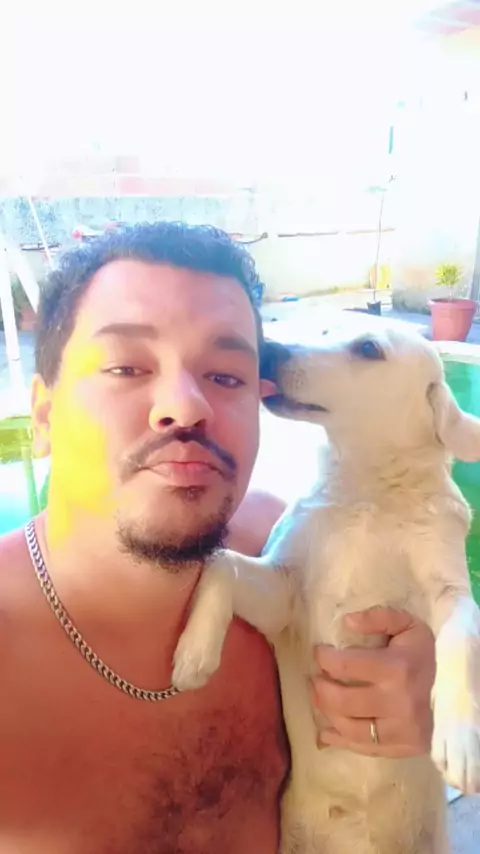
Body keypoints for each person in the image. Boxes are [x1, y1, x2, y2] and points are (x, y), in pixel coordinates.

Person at [0, 223, 435, 853]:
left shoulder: (290, 546)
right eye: (127, 367)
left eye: (226, 376)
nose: (186, 406)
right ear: (43, 416)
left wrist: (432, 698)